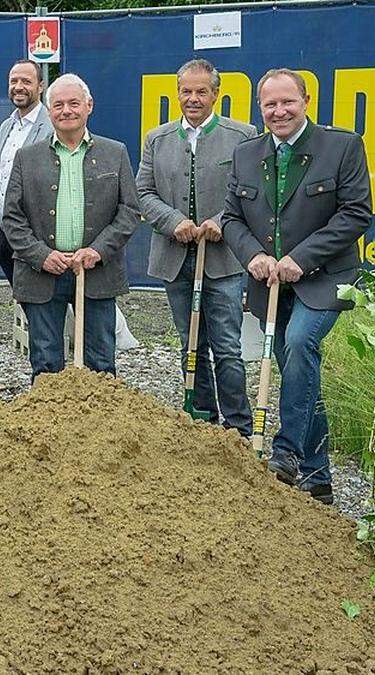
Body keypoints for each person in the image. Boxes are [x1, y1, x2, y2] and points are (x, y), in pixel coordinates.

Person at [223, 68, 372, 504]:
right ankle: (319, 476)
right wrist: (254, 256)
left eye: (287, 101)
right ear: (260, 108)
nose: (279, 111)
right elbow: (232, 218)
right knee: (299, 374)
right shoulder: (246, 154)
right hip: (270, 282)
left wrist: (300, 259)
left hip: (326, 278)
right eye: (270, 104)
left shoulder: (341, 146)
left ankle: (286, 452)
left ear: (306, 101)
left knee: (301, 340)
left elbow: (356, 213)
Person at [137, 59, 257, 436]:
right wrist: (175, 223)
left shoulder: (243, 136)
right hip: (175, 259)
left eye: (200, 91)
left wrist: (221, 222)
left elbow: (249, 193)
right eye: (186, 92)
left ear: (216, 95)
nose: (193, 99)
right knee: (191, 343)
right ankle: (202, 417)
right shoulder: (157, 139)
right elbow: (144, 192)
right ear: (177, 94)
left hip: (223, 262)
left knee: (226, 346)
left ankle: (238, 427)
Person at [0, 74, 139, 381]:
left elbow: (129, 211)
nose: (66, 111)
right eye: (58, 105)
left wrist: (99, 251)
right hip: (41, 273)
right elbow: (11, 217)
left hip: (96, 272)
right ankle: (50, 426)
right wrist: (40, 255)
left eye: (73, 103)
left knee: (101, 361)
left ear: (89, 106)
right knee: (46, 362)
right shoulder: (27, 158)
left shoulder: (115, 153)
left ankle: (99, 424)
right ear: (49, 112)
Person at [0, 60, 51, 285]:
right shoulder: (7, 126)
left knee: (44, 306)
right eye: (14, 81)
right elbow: (1, 178)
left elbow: (42, 187)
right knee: (22, 304)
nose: (18, 86)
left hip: (34, 237)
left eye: (26, 81)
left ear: (41, 87)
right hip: (3, 236)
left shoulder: (52, 128)